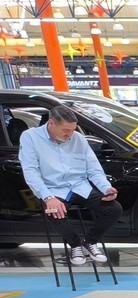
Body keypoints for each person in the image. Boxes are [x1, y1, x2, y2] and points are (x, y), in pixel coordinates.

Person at [18, 105, 121, 266]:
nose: (70, 134)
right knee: (54, 211)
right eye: (66, 130)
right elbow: (30, 172)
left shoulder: (78, 138)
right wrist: (48, 197)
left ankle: (90, 241)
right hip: (53, 188)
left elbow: (93, 169)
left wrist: (105, 188)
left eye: (73, 130)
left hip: (80, 186)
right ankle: (75, 244)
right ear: (51, 123)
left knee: (114, 209)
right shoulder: (30, 137)